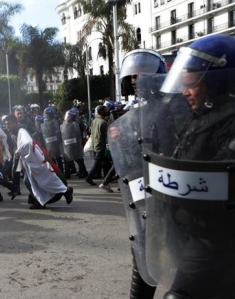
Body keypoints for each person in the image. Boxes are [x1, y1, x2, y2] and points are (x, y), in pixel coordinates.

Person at [141, 34, 235, 298]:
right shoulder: (199, 117)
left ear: (217, 82)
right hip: (189, 225)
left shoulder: (230, 121)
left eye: (191, 84)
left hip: (216, 235)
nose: (184, 92)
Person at [107, 48, 169, 299]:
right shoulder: (132, 116)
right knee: (143, 257)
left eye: (141, 75)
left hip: (174, 199)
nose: (136, 80)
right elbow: (131, 162)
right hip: (145, 198)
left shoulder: (176, 108)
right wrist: (121, 140)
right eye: (132, 77)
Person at [3, 115, 73, 208]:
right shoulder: (14, 133)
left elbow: (27, 143)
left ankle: (64, 191)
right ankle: (41, 200)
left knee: (40, 180)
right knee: (32, 181)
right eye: (6, 124)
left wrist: (19, 151)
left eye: (9, 123)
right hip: (31, 161)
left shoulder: (21, 131)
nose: (7, 126)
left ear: (15, 123)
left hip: (36, 161)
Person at [85, 105, 111, 186]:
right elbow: (107, 136)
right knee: (97, 163)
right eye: (105, 109)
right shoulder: (104, 122)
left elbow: (90, 131)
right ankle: (89, 177)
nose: (107, 111)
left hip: (96, 145)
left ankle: (108, 177)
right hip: (101, 146)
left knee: (106, 162)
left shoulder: (94, 121)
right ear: (101, 112)